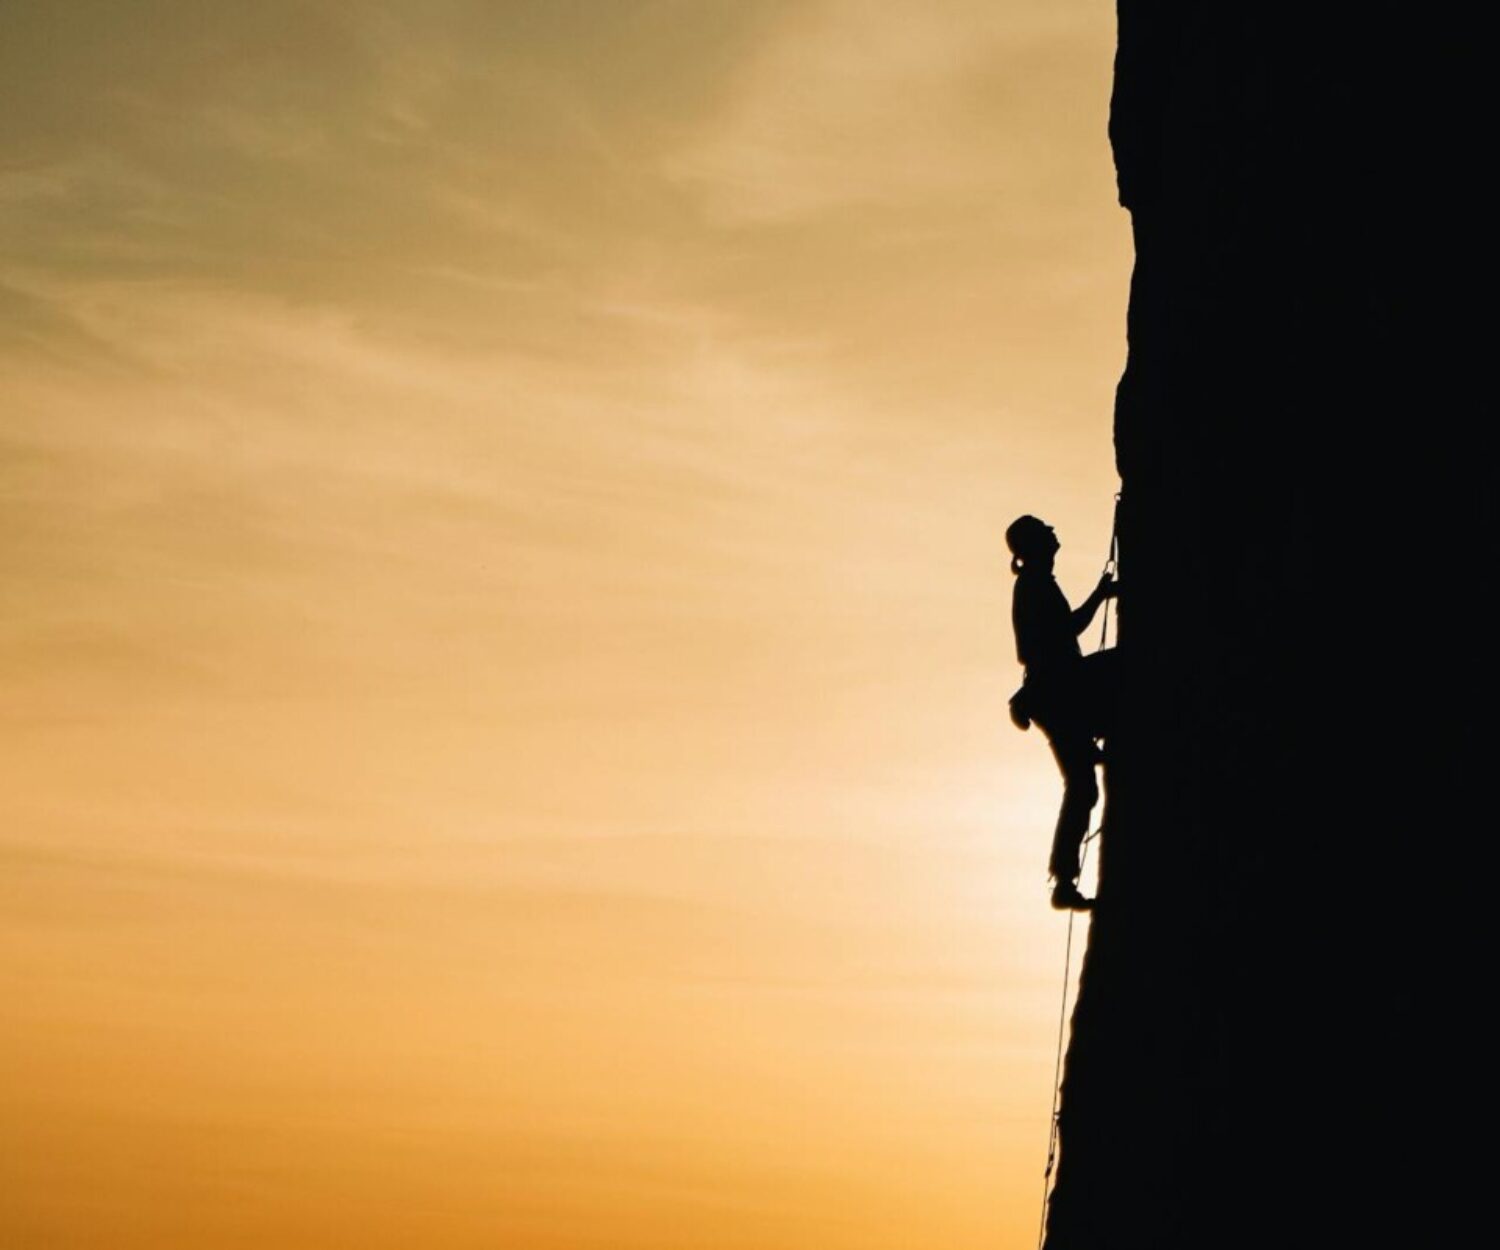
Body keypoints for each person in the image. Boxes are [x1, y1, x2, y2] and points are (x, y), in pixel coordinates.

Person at [1006, 515, 1119, 910]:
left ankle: (1064, 880)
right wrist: (1101, 595)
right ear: (1036, 545)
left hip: (1057, 693)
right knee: (1082, 786)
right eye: (1046, 531)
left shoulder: (1035, 584)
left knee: (1083, 786)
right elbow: (1067, 629)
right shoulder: (1034, 586)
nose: (1055, 533)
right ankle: (1063, 880)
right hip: (1059, 692)